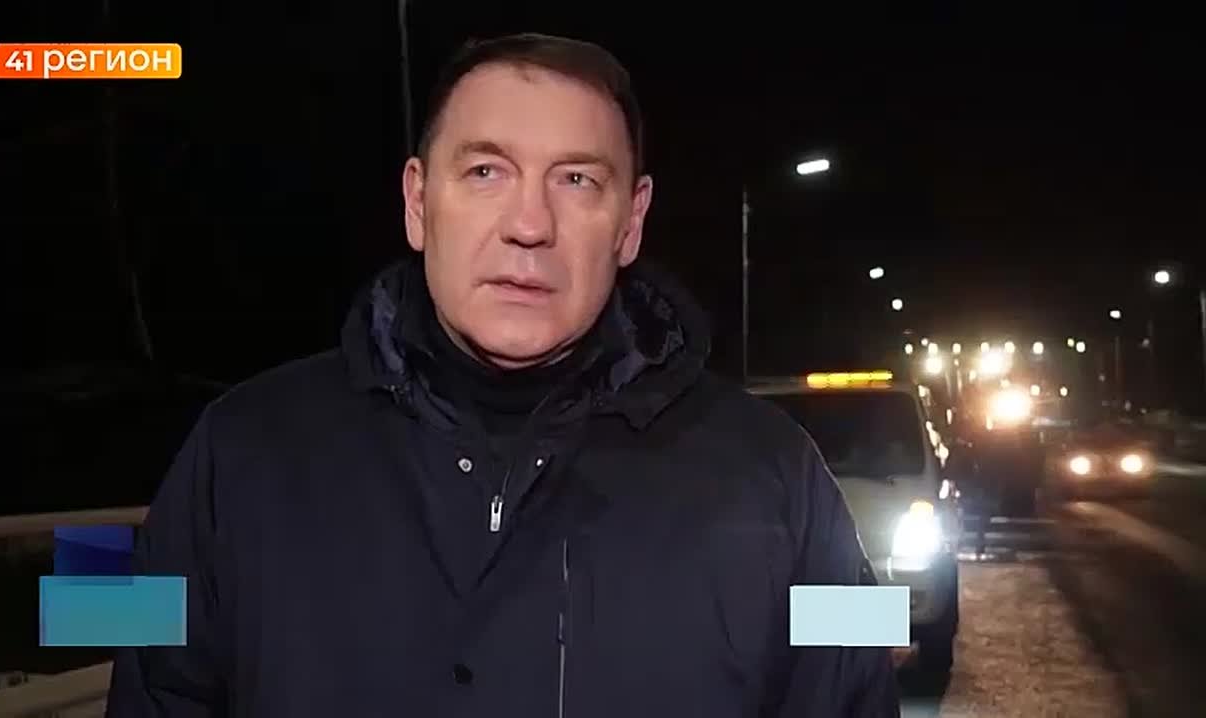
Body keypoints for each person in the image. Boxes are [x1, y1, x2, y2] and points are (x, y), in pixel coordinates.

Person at [105, 32, 900, 717]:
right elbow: (136, 677)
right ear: (418, 201)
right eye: (486, 171)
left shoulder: (786, 479)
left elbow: (862, 682)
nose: (529, 225)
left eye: (577, 180)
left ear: (631, 221)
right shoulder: (234, 455)